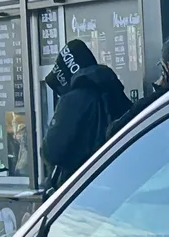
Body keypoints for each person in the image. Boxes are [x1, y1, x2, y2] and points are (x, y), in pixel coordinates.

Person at [41, 38, 130, 189]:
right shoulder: (112, 92)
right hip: (114, 181)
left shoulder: (73, 100)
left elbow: (52, 151)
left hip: (79, 187)